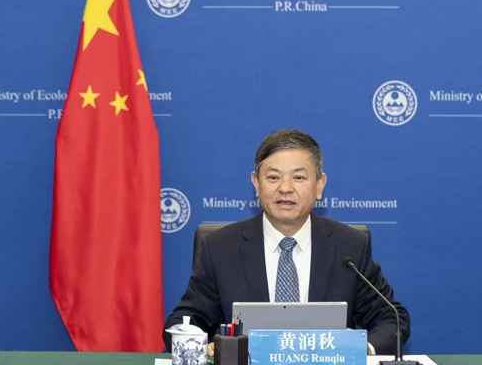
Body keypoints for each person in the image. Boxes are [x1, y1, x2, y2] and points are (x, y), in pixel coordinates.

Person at [162, 128, 410, 355]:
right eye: (273, 177)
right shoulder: (221, 248)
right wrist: (200, 346)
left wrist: (361, 349)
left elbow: (391, 319)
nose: (285, 188)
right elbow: (184, 321)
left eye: (299, 178)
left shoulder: (350, 247)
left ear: (320, 185)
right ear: (256, 184)